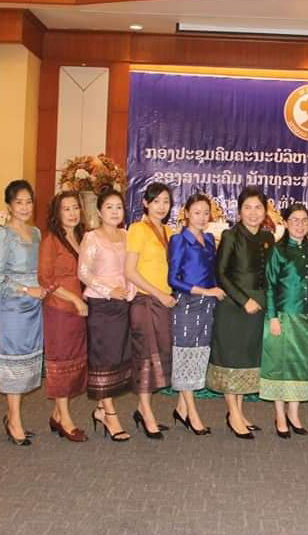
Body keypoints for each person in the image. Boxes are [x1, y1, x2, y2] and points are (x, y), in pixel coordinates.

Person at [208, 186, 275, 439]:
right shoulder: (231, 235)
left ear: (265, 211)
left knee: (245, 361)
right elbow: (221, 273)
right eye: (247, 207)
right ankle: (233, 414)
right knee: (231, 360)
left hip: (258, 308)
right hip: (234, 308)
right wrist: (244, 300)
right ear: (239, 211)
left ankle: (239, 412)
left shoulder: (267, 238)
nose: (253, 213)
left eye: (258, 207)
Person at [0, 180, 45, 446]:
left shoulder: (36, 232)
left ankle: (14, 416)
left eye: (28, 202)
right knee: (13, 360)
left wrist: (41, 288)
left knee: (28, 359)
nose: (24, 207)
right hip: (13, 304)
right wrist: (26, 289)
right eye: (18, 202)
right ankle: (14, 419)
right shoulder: (3, 234)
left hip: (35, 305)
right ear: (9, 205)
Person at [259, 203, 308, 439]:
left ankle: (294, 413)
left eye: (304, 220)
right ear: (285, 223)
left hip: (305, 316)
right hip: (283, 316)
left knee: (300, 364)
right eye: (295, 220)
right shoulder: (278, 250)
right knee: (280, 365)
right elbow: (269, 285)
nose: (300, 225)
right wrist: (272, 316)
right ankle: (280, 415)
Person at [78, 189, 134, 442]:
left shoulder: (127, 235)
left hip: (123, 305)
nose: (115, 212)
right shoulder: (92, 237)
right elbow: (83, 273)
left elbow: (132, 269)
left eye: (119, 207)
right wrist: (109, 290)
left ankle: (101, 409)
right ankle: (110, 414)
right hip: (101, 305)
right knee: (104, 359)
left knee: (118, 358)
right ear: (99, 211)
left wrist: (129, 293)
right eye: (109, 207)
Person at [168, 194, 224, 435]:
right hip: (187, 303)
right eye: (197, 212)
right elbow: (173, 279)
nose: (202, 217)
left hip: (208, 305)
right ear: (187, 213)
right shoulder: (179, 240)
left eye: (205, 213)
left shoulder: (209, 239)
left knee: (198, 356)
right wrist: (206, 291)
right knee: (185, 355)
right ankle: (192, 413)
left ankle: (181, 409)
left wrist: (213, 293)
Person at [125, 183, 176, 439]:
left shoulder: (168, 231)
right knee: (145, 356)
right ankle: (146, 412)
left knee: (160, 354)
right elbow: (130, 271)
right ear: (145, 203)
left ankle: (141, 408)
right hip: (145, 301)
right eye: (156, 201)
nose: (161, 206)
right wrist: (159, 294)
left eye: (166, 201)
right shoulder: (138, 229)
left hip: (163, 303)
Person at [38, 191, 89, 442]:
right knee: (61, 363)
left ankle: (57, 414)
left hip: (80, 310)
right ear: (57, 213)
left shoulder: (82, 237)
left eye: (76, 208)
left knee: (74, 362)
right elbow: (45, 279)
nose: (72, 213)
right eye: (66, 209)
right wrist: (74, 299)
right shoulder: (51, 240)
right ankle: (65, 419)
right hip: (59, 309)